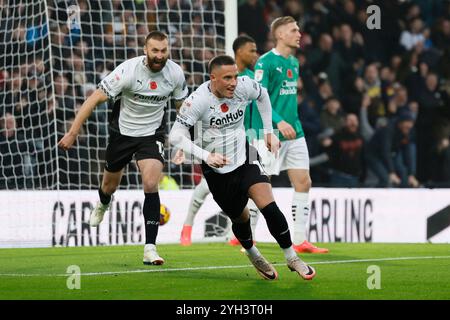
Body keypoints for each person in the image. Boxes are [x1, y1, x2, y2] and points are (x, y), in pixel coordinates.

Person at [169, 55, 316, 280]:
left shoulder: (244, 86)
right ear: (213, 78)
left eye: (235, 76)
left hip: (245, 157)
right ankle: (253, 253)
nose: (233, 82)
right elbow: (174, 136)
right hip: (216, 171)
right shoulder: (197, 100)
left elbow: (263, 95)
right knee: (241, 219)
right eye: (227, 78)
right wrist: (206, 155)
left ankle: (291, 257)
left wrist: (268, 131)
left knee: (269, 206)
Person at [58, 31, 188, 265]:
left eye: (163, 50)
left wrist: (185, 141)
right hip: (122, 134)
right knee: (109, 186)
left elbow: (182, 108)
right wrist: (73, 132)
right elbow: (93, 99)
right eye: (155, 51)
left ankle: (150, 249)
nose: (159, 56)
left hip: (152, 135)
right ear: (145, 50)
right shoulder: (127, 71)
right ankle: (104, 202)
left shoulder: (175, 73)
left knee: (150, 182)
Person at [254, 16, 328, 253]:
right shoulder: (264, 63)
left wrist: (289, 122)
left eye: (298, 29)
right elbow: (259, 99)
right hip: (269, 132)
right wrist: (277, 122)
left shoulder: (294, 63)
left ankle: (299, 239)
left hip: (294, 132)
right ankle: (247, 237)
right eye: (294, 30)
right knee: (260, 184)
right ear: (280, 35)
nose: (299, 33)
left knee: (304, 182)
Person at [179, 35, 261, 246]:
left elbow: (264, 98)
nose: (255, 55)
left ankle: (244, 237)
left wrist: (270, 128)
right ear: (239, 52)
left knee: (257, 188)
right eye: (252, 51)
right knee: (207, 185)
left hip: (252, 137)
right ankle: (187, 225)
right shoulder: (219, 79)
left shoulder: (252, 77)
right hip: (217, 140)